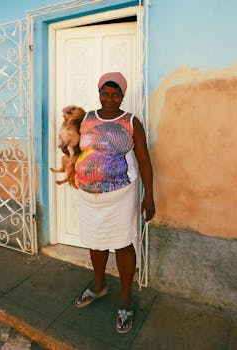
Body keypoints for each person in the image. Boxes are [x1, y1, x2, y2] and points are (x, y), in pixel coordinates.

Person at [73, 72, 155, 334]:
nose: (109, 99)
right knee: (96, 241)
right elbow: (74, 148)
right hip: (88, 195)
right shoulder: (85, 119)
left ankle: (125, 298)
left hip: (120, 195)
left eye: (115, 94)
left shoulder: (132, 122)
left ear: (123, 96)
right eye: (105, 94)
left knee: (121, 243)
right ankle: (99, 285)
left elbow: (143, 161)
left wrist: (149, 196)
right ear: (99, 94)